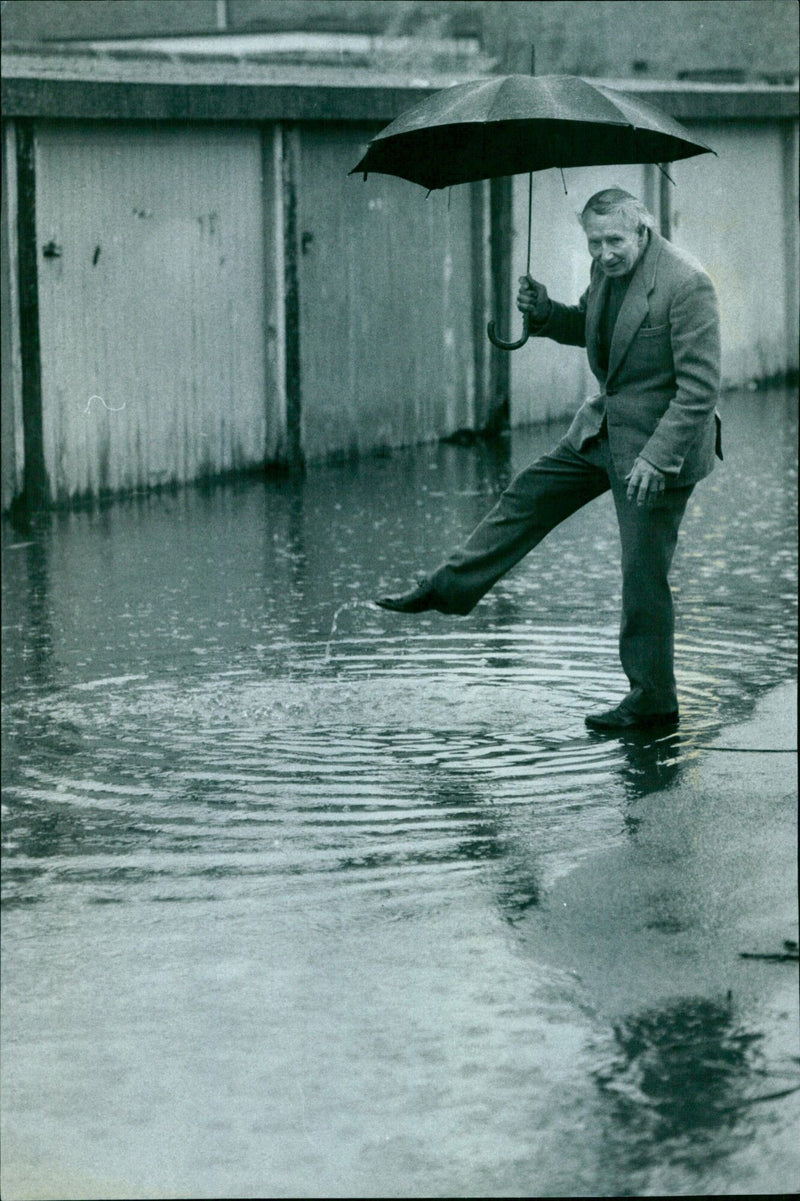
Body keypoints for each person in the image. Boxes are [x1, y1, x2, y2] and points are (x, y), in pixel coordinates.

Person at [376, 187, 723, 732]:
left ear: (642, 231)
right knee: (528, 494)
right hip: (605, 429)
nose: (604, 252)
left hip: (662, 449)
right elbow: (588, 325)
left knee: (642, 574)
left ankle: (654, 698)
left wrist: (657, 460)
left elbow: (700, 391)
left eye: (614, 240)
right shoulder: (605, 270)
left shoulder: (686, 282)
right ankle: (447, 589)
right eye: (594, 241)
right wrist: (544, 314)